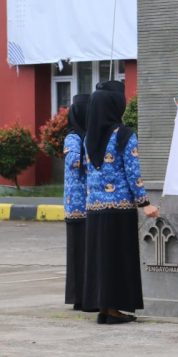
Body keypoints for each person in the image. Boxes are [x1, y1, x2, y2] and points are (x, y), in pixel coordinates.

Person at [83, 83, 159, 324]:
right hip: (120, 209)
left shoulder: (88, 138)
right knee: (119, 259)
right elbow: (132, 172)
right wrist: (145, 203)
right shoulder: (124, 135)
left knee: (101, 259)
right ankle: (115, 310)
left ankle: (105, 308)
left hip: (94, 210)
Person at [63, 94, 91, 311]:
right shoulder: (72, 138)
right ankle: (78, 297)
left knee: (87, 253)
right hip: (76, 207)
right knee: (77, 253)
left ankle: (88, 295)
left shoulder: (87, 136)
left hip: (89, 204)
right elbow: (74, 162)